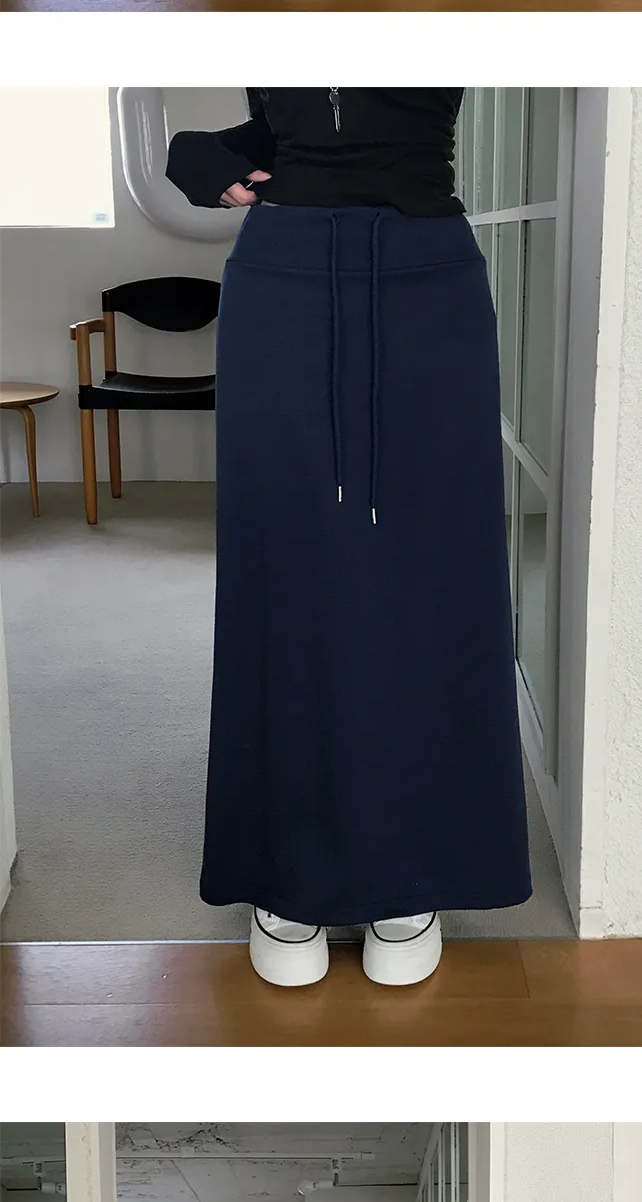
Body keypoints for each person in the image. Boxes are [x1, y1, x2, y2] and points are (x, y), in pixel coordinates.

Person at [167, 78, 532, 985]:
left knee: (429, 577)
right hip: (281, 268)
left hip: (427, 268)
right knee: (285, 571)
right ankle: (284, 870)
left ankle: (413, 865)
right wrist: (203, 153)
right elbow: (297, 123)